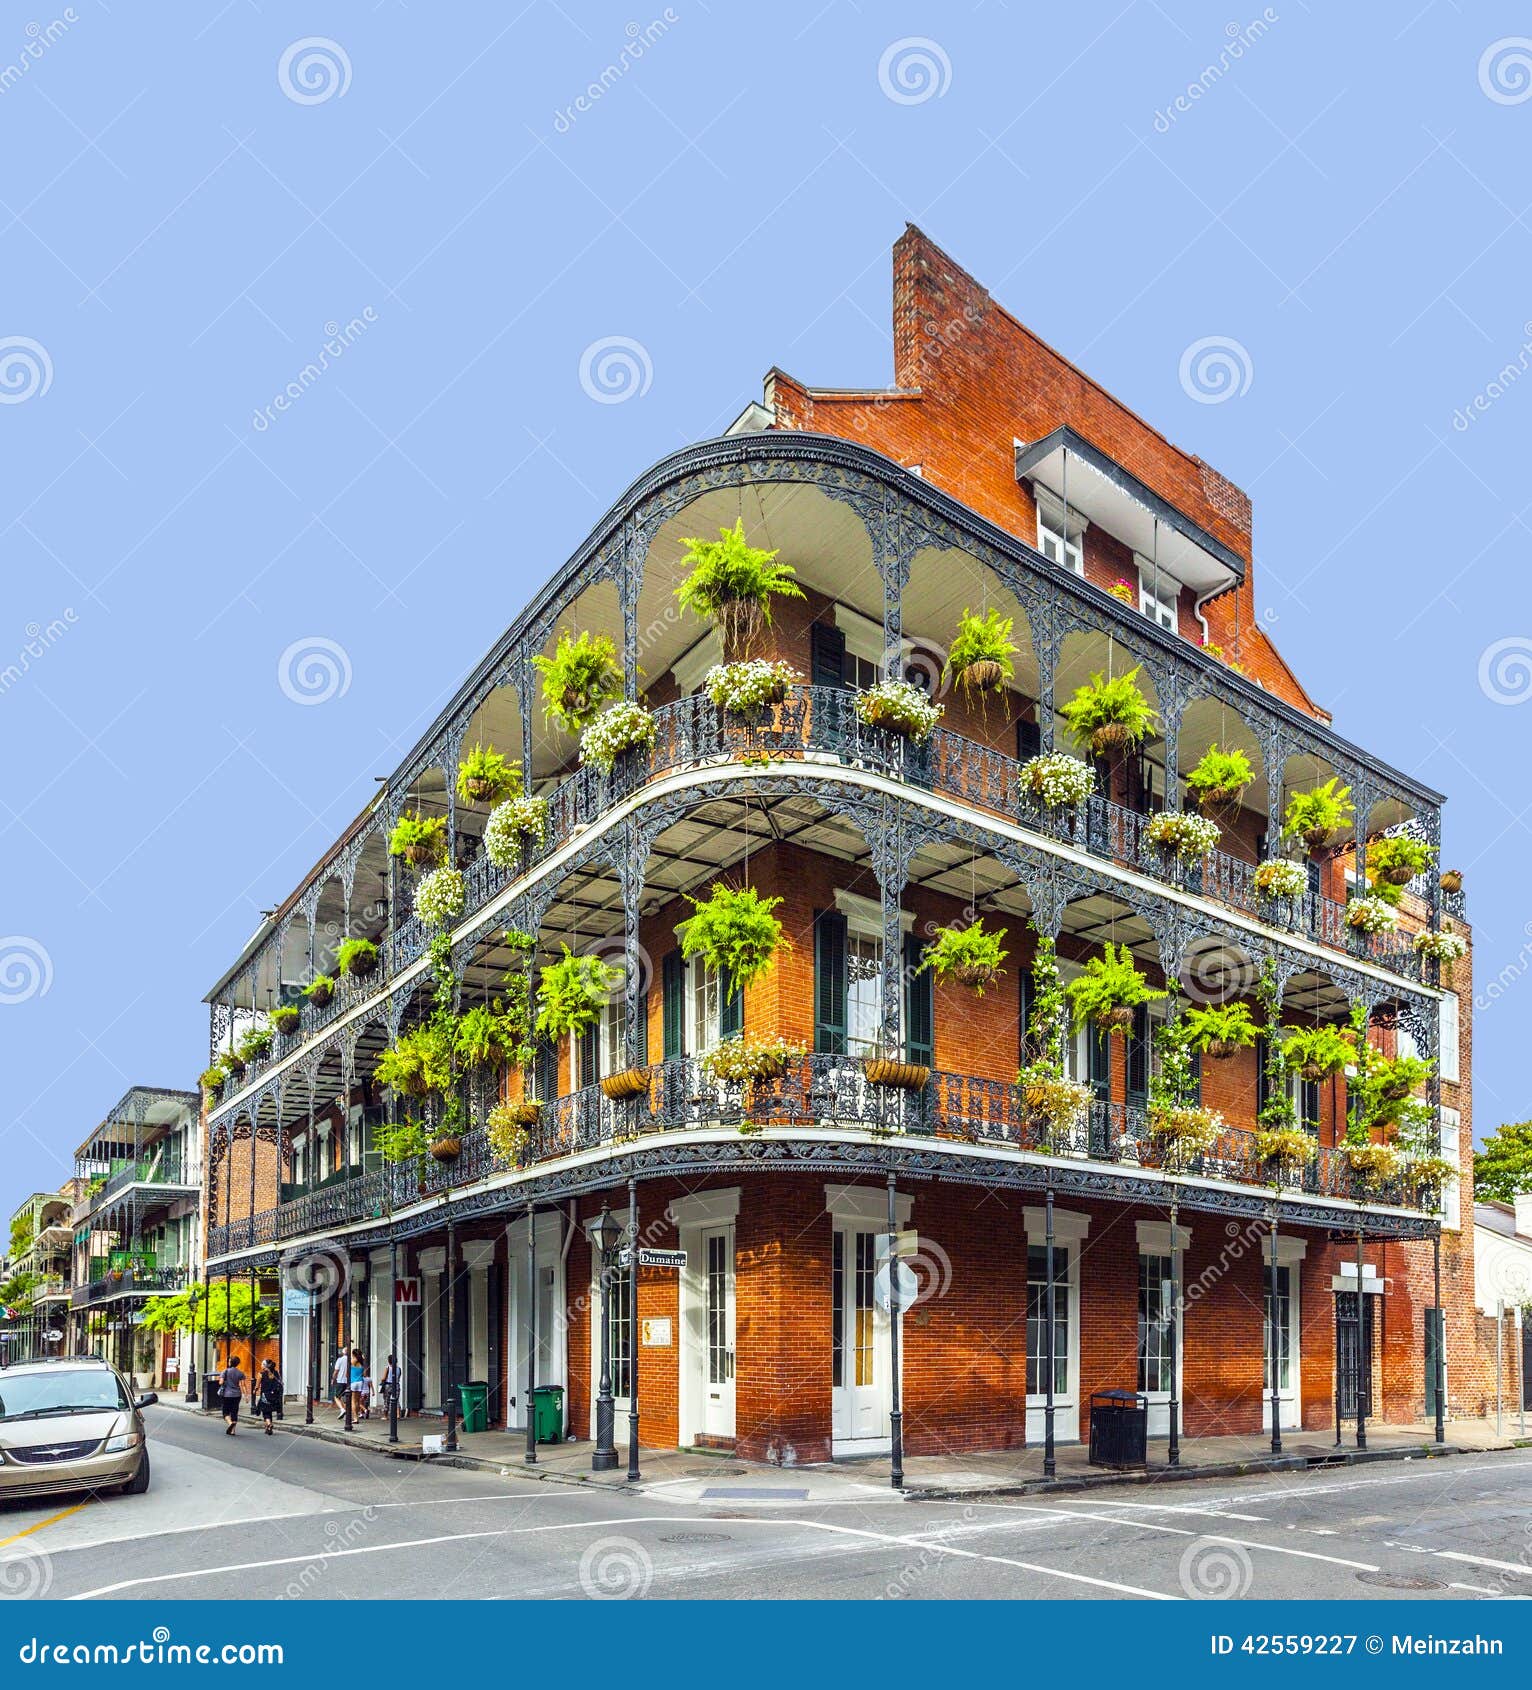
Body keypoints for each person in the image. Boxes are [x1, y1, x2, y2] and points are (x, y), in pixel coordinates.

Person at [217, 1353, 246, 1436]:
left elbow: (221, 1382)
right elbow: (243, 1385)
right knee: (234, 1412)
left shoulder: (225, 1371)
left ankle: (230, 1423)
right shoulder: (240, 1373)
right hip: (237, 1395)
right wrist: (246, 1396)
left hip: (227, 1394)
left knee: (225, 1412)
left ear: (230, 1362)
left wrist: (222, 1380)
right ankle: (233, 1431)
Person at [256, 1357, 282, 1436]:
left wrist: (254, 1390)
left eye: (262, 1364)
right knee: (269, 1411)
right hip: (274, 1396)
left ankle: (269, 1423)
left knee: (265, 1412)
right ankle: (267, 1428)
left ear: (265, 1366)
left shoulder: (261, 1374)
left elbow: (257, 1386)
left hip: (265, 1396)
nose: (261, 1365)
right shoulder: (276, 1373)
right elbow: (280, 1383)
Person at [348, 1348, 365, 1424]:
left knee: (353, 1401)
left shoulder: (353, 1361)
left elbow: (348, 1366)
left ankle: (355, 1418)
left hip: (353, 1382)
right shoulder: (361, 1362)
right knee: (358, 1401)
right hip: (360, 1382)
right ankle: (357, 1415)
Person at [332, 1347, 349, 1417]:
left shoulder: (340, 1360)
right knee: (345, 1398)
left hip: (341, 1381)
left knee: (336, 1397)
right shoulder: (351, 1360)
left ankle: (342, 1409)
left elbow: (336, 1371)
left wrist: (333, 1379)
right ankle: (346, 1415)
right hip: (348, 1381)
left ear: (343, 1352)